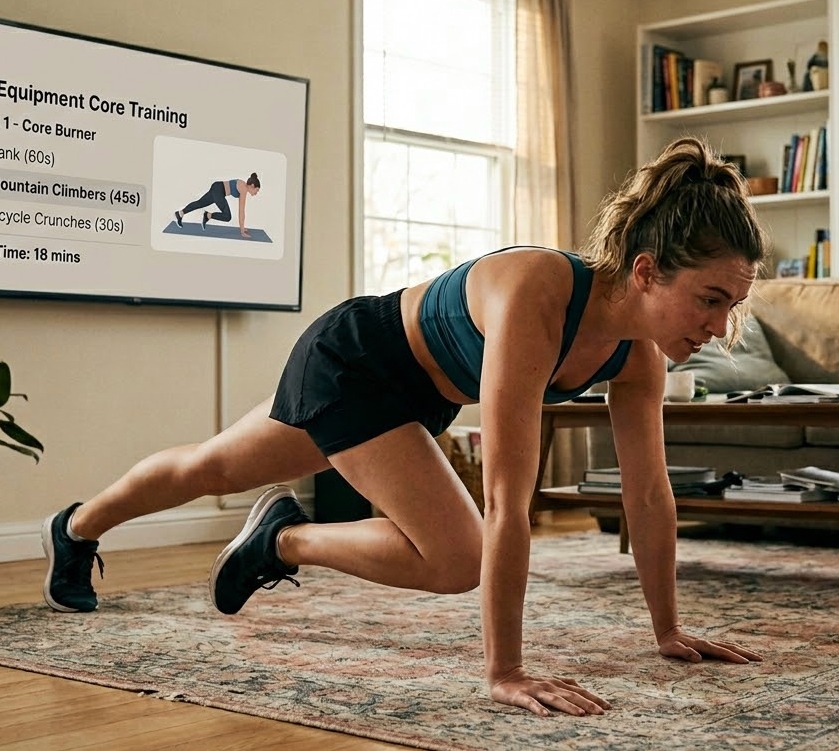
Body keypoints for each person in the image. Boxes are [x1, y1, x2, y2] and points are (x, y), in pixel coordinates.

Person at [43, 136, 767, 717]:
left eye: (729, 305)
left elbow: (646, 496)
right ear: (645, 272)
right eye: (708, 298)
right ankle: (188, 534)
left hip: (415, 397)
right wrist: (505, 671)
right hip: (354, 361)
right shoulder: (537, 295)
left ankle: (128, 530)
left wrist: (665, 629)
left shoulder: (634, 357)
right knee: (453, 552)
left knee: (214, 466)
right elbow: (508, 502)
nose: (719, 325)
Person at [174, 173, 260, 238]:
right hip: (219, 191)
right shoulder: (243, 189)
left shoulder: (243, 185)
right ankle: (208, 215)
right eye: (257, 190)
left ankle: (180, 213)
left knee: (200, 203)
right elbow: (241, 211)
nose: (256, 193)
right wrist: (242, 231)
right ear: (252, 186)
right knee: (227, 216)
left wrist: (242, 227)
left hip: (217, 187)